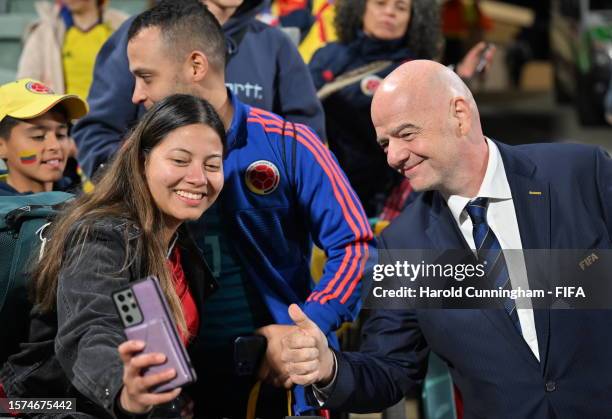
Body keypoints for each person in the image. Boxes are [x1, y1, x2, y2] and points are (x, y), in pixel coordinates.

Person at [279, 60, 612, 418]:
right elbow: (390, 368)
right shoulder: (404, 245)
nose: (394, 156)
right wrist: (329, 367)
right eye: (384, 143)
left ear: (460, 115)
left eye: (406, 134)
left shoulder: (580, 173)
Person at [123, 1, 373, 416]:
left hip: (281, 382)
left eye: (146, 77)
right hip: (178, 392)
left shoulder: (291, 144)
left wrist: (305, 330)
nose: (136, 95)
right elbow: (120, 267)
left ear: (196, 66)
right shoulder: (135, 155)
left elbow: (356, 244)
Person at [0, 94, 226, 417]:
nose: (198, 178)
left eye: (212, 165)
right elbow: (92, 328)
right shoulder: (101, 235)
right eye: (179, 160)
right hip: (43, 404)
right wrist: (123, 388)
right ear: (142, 160)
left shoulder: (181, 241)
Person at [73, 0, 324, 180]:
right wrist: (142, 182)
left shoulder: (274, 44)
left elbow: (306, 138)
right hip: (160, 229)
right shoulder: (142, 36)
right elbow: (97, 132)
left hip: (253, 227)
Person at [309, 0, 494, 217]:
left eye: (401, 7)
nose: (390, 13)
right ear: (360, 8)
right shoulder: (328, 56)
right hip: (331, 186)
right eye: (380, 4)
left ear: (414, 19)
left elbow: (437, 106)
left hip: (390, 192)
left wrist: (460, 77)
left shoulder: (415, 68)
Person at [17, 0, 127, 99]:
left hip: (109, 116)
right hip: (63, 116)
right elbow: (26, 81)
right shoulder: (45, 32)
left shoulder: (121, 26)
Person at [0, 78, 88, 196]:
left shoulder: (81, 203)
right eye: (39, 136)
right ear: (1, 146)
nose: (55, 145)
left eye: (61, 135)